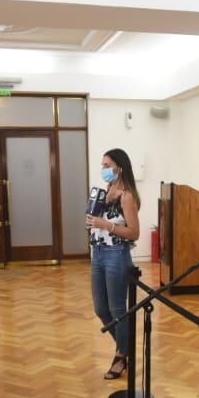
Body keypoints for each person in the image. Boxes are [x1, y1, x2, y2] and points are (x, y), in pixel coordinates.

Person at [85, 148, 140, 379]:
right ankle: (126, 350)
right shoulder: (106, 190)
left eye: (107, 165)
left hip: (117, 254)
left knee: (118, 309)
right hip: (97, 253)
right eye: (102, 165)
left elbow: (134, 232)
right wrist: (93, 223)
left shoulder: (127, 195)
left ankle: (120, 356)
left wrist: (105, 225)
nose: (104, 170)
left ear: (120, 167)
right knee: (101, 309)